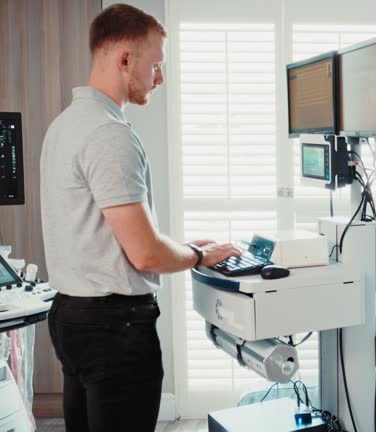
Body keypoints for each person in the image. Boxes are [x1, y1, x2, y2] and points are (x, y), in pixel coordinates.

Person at [39, 4, 240, 431]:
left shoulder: (64, 125)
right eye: (156, 64)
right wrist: (197, 257)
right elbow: (146, 255)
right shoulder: (108, 133)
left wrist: (185, 248)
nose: (160, 78)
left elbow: (109, 233)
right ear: (125, 59)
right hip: (114, 329)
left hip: (71, 316)